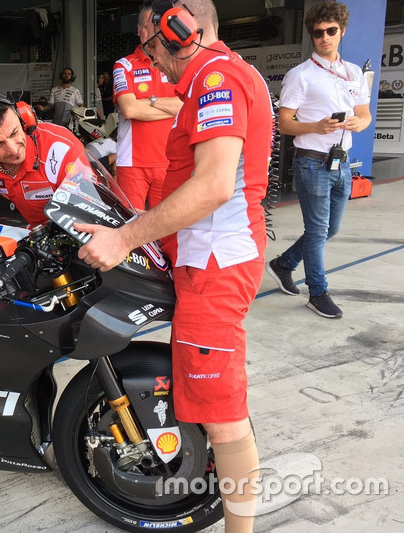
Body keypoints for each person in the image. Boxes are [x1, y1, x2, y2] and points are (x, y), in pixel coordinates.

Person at [75, 1, 273, 530]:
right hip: (205, 257)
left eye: (152, 46)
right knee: (213, 400)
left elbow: (212, 186)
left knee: (222, 413)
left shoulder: (217, 80)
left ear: (180, 31)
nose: (152, 61)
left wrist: (125, 238)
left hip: (216, 265)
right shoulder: (216, 78)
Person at [266, 0, 371, 319]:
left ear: (342, 31)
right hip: (311, 162)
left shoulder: (354, 73)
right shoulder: (301, 75)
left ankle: (283, 265)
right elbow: (283, 123)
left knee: (330, 228)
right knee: (316, 229)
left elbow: (365, 115)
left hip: (341, 160)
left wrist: (358, 123)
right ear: (312, 35)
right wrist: (317, 126)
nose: (324, 37)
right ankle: (318, 291)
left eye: (331, 31)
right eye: (317, 32)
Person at [0, 89, 89, 228]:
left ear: (25, 120)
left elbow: (88, 218)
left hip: (78, 229)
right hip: (36, 234)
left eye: (14, 133)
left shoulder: (60, 150)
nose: (13, 149)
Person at [113, 3, 182, 210]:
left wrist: (149, 101)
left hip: (168, 161)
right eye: (144, 26)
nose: (149, 31)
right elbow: (130, 110)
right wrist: (167, 108)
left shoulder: (175, 64)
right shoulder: (123, 65)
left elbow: (184, 106)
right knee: (128, 225)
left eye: (153, 25)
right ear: (138, 30)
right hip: (132, 164)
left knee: (166, 229)